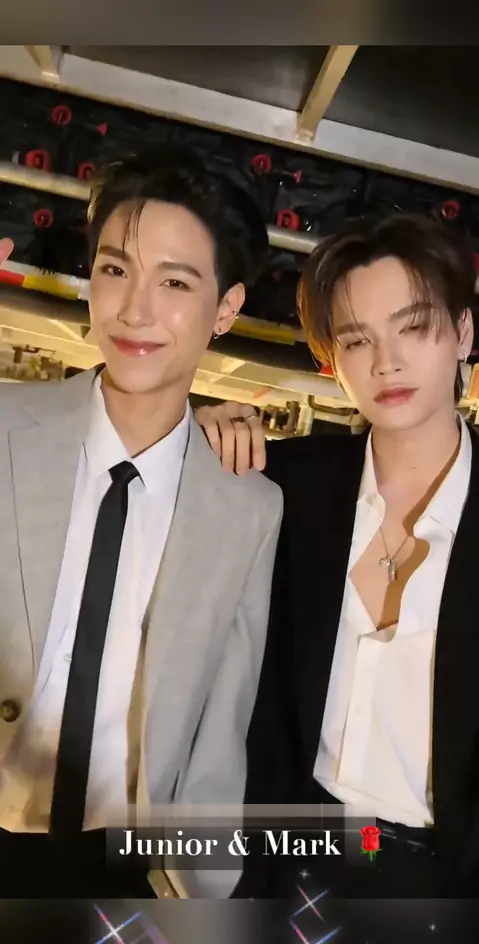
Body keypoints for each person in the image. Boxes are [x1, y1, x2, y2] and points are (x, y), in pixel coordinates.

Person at [0, 146, 283, 899]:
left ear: (226, 309)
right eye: (115, 269)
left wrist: (200, 894)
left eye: (176, 282)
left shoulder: (248, 508)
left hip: (125, 865)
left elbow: (221, 726)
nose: (134, 310)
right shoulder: (5, 428)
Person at [195, 213, 479, 897]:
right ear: (331, 358)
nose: (386, 362)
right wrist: (199, 433)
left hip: (443, 882)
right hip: (288, 860)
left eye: (413, 327)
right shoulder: (288, 486)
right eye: (356, 339)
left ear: (465, 332)